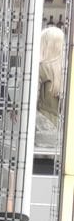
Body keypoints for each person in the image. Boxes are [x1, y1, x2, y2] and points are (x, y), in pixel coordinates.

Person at [35, 24, 65, 152]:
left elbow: (30, 102)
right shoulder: (67, 70)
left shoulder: (41, 68)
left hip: (42, 132)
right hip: (63, 135)